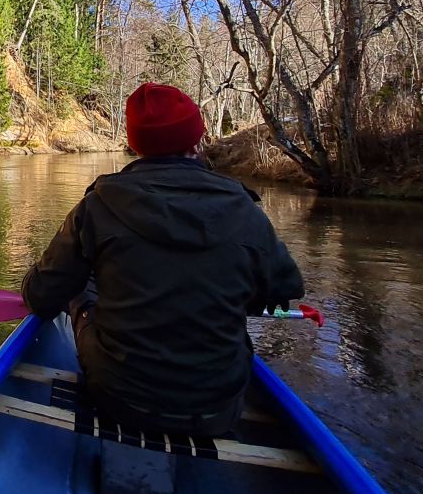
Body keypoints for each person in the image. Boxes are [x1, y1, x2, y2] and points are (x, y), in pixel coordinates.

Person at [21, 82, 304, 438]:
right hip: (218, 408)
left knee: (80, 291)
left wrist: (62, 290)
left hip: (120, 401)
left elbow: (43, 295)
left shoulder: (99, 205)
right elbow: (283, 290)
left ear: (136, 145)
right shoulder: (244, 210)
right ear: (196, 141)